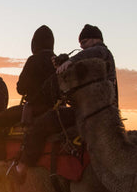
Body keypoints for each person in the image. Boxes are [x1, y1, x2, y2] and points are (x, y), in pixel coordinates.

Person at [14, 24, 110, 176]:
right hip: (83, 109)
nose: (82, 48)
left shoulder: (101, 52)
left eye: (84, 43)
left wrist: (70, 61)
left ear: (95, 39)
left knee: (38, 126)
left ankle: (23, 165)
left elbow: (21, 88)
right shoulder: (93, 62)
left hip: (86, 112)